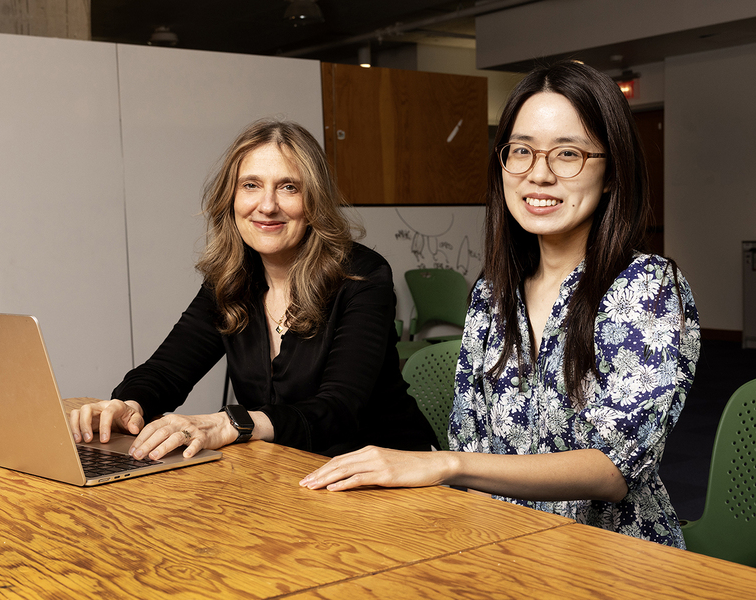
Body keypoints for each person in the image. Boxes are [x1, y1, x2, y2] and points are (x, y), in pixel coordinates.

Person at [299, 61, 700, 548]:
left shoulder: (648, 286)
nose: (539, 175)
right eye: (522, 152)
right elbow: (469, 436)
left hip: (610, 558)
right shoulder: (493, 291)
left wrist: (444, 463)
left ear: (612, 172)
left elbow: (611, 470)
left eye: (567, 154)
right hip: (501, 543)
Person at [70, 119, 437, 461]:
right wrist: (130, 405)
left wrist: (230, 423)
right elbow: (167, 371)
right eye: (251, 185)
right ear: (231, 198)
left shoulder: (362, 276)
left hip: (391, 474)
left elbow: (338, 410)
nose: (267, 205)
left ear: (315, 201)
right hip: (290, 471)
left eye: (289, 187)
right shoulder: (231, 279)